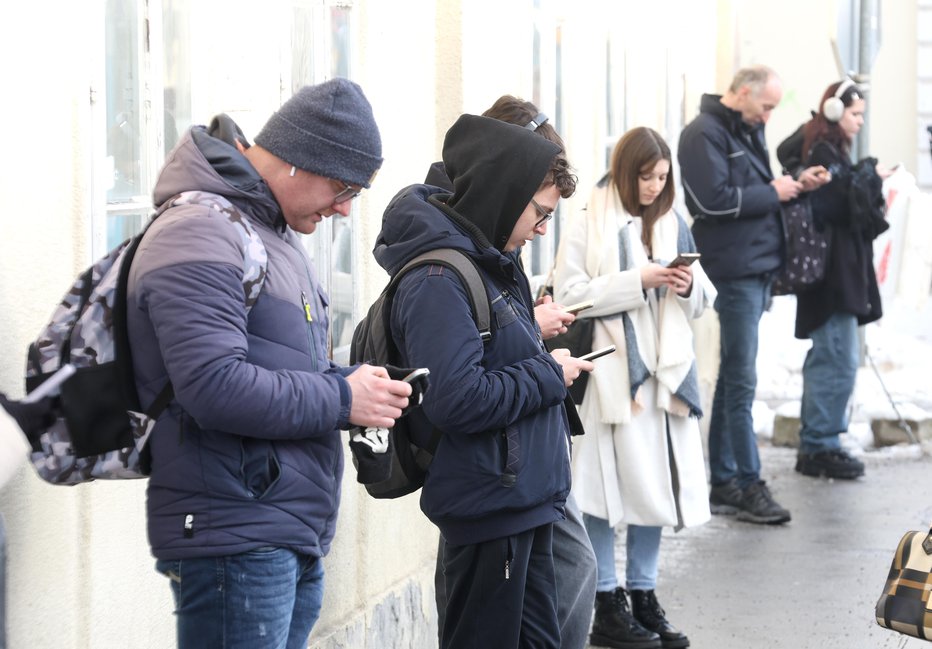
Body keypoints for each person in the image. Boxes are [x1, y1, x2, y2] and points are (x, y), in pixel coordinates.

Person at [125, 78, 413, 649]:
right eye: (342, 186)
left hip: (277, 527)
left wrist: (351, 384)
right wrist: (341, 398)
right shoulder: (201, 229)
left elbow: (274, 367)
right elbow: (213, 387)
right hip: (234, 535)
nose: (347, 208)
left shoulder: (270, 231)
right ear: (295, 163)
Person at [374, 113, 590, 648]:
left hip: (524, 500)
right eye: (539, 213)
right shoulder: (439, 277)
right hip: (492, 506)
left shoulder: (491, 259)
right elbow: (457, 399)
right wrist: (548, 373)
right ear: (504, 194)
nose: (543, 228)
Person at [555, 127, 714, 649]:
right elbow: (569, 296)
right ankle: (607, 601)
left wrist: (688, 285)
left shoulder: (673, 221)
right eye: (645, 176)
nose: (653, 186)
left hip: (665, 379)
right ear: (625, 172)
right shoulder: (588, 218)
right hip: (612, 377)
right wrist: (637, 280)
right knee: (601, 490)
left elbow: (703, 297)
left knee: (657, 488)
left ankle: (643, 594)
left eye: (662, 177)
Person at [677, 65, 829, 525]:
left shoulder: (742, 128)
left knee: (733, 380)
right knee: (740, 382)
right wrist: (773, 190)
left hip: (755, 269)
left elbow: (755, 191)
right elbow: (712, 201)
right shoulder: (703, 133)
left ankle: (726, 483)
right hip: (736, 272)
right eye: (766, 106)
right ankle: (745, 481)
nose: (769, 116)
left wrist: (796, 185)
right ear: (743, 93)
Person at [776, 80, 891, 479]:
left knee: (835, 357)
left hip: (838, 274)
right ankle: (819, 445)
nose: (860, 122)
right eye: (855, 114)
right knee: (836, 359)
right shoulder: (822, 149)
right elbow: (839, 206)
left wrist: (865, 173)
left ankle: (820, 441)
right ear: (834, 112)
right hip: (832, 277)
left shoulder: (830, 150)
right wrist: (869, 176)